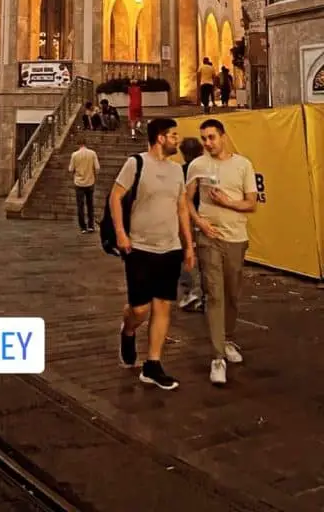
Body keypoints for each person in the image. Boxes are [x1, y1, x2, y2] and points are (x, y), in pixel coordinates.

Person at [109, 117, 194, 391]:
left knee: (163, 306)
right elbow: (115, 197)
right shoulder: (137, 163)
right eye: (173, 135)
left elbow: (182, 208)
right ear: (160, 137)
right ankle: (129, 329)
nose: (176, 139)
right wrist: (121, 233)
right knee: (140, 309)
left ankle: (152, 364)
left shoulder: (177, 171)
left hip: (169, 248)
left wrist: (188, 244)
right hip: (139, 247)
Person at [186, 118, 258, 386]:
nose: (208, 143)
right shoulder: (197, 165)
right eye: (204, 138)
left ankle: (227, 339)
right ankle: (217, 357)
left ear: (223, 136)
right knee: (214, 294)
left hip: (236, 238)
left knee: (232, 294)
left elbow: (251, 204)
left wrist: (229, 202)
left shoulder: (243, 165)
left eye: (212, 137)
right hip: (208, 238)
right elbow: (186, 199)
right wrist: (199, 221)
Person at [177, 137, 205, 311]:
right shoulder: (208, 169)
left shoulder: (181, 172)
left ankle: (194, 294)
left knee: (188, 256)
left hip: (188, 219)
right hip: (206, 218)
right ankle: (201, 293)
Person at [69, 140, 99, 233]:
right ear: (86, 144)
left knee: (80, 205)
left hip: (79, 182)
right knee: (90, 205)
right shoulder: (92, 153)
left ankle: (83, 227)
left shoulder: (74, 155)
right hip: (90, 181)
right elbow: (97, 167)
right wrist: (94, 175)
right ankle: (91, 225)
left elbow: (70, 169)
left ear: (79, 145)